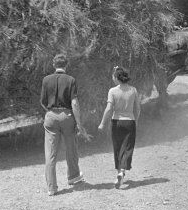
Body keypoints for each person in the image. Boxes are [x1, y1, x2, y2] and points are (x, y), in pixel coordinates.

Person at [40, 54, 90, 196]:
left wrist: (51, 113)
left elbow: (43, 102)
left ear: (53, 64)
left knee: (50, 154)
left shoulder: (46, 80)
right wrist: (79, 123)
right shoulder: (71, 80)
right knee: (71, 149)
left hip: (50, 116)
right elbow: (74, 103)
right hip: (67, 116)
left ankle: (52, 187)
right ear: (66, 65)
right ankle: (73, 177)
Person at [98, 66, 141, 189]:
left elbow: (109, 109)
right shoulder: (133, 90)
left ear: (117, 78)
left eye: (113, 76)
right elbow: (138, 108)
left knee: (117, 148)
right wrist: (136, 120)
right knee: (127, 148)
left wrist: (102, 123)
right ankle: (122, 171)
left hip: (116, 122)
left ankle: (119, 172)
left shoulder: (112, 91)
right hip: (129, 122)